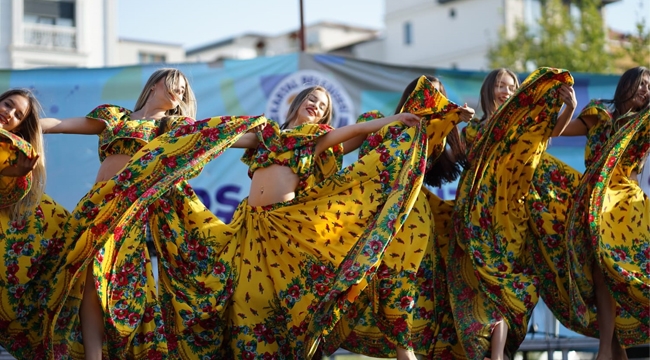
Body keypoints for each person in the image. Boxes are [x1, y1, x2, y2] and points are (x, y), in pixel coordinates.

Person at [39, 68, 264, 359]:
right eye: (175, 84)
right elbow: (61, 123)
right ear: (156, 84)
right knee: (82, 280)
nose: (180, 91)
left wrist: (261, 139)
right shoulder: (115, 117)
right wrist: (26, 124)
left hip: (129, 213)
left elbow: (216, 137)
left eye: (184, 89)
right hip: (96, 204)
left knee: (108, 279)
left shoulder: (172, 126)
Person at [319, 75, 473, 360]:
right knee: (349, 282)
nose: (432, 99)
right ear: (411, 94)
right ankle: (315, 346)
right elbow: (340, 151)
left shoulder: (433, 135)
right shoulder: (378, 121)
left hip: (411, 221)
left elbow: (444, 156)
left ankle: (407, 351)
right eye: (427, 92)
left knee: (402, 287)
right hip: (372, 216)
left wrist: (455, 121)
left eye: (439, 95)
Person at [447, 67, 577, 360]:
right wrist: (450, 122)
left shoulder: (524, 127)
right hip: (475, 217)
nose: (505, 91)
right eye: (500, 86)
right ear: (487, 91)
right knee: (481, 287)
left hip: (510, 217)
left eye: (510, 86)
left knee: (509, 284)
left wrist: (569, 108)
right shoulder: (474, 129)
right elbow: (451, 157)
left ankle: (500, 353)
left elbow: (550, 131)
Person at [561, 66, 650, 360]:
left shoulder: (644, 123)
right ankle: (609, 352)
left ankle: (608, 353)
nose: (645, 90)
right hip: (592, 205)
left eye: (649, 86)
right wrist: (569, 107)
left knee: (625, 272)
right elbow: (554, 131)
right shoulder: (599, 114)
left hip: (624, 206)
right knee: (600, 275)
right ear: (626, 84)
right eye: (641, 83)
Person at [0, 89, 70, 359]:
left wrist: (13, 174)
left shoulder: (14, 152)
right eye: (8, 105)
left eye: (18, 115)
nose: (9, 113)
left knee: (70, 228)